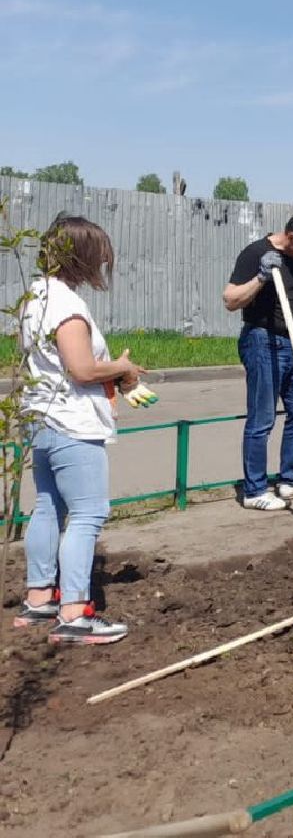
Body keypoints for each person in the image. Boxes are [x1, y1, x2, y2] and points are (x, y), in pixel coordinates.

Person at [14, 215, 142, 644]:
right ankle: (73, 613)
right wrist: (122, 368)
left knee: (49, 508)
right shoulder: (67, 306)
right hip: (72, 424)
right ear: (82, 257)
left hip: (42, 420)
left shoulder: (34, 296)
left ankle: (39, 600)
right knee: (87, 514)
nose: (102, 265)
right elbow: (82, 368)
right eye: (99, 256)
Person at [222, 212, 293, 511]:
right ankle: (254, 490)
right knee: (262, 419)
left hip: (292, 343)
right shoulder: (256, 253)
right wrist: (260, 276)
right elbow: (231, 300)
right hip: (262, 341)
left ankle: (291, 479)